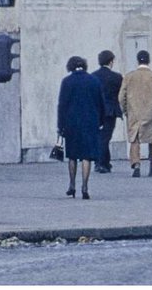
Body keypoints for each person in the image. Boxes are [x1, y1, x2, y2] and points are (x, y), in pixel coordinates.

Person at [57, 56, 105, 199]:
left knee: (72, 155)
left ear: (70, 66)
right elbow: (100, 103)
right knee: (87, 156)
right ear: (85, 66)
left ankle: (72, 185)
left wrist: (60, 126)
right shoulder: (94, 80)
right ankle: (85, 186)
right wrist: (101, 121)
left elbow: (62, 105)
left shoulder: (67, 82)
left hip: (72, 123)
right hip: (90, 122)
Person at [118, 50, 152, 177]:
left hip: (134, 113)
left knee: (135, 140)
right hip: (151, 113)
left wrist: (126, 110)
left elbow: (121, 96)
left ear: (137, 60)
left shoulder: (129, 77)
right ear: (148, 60)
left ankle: (136, 165)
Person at [91, 50, 122, 174]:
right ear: (110, 61)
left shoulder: (93, 76)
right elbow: (120, 93)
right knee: (106, 137)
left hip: (96, 110)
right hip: (110, 111)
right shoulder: (116, 77)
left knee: (100, 136)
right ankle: (100, 163)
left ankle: (105, 162)